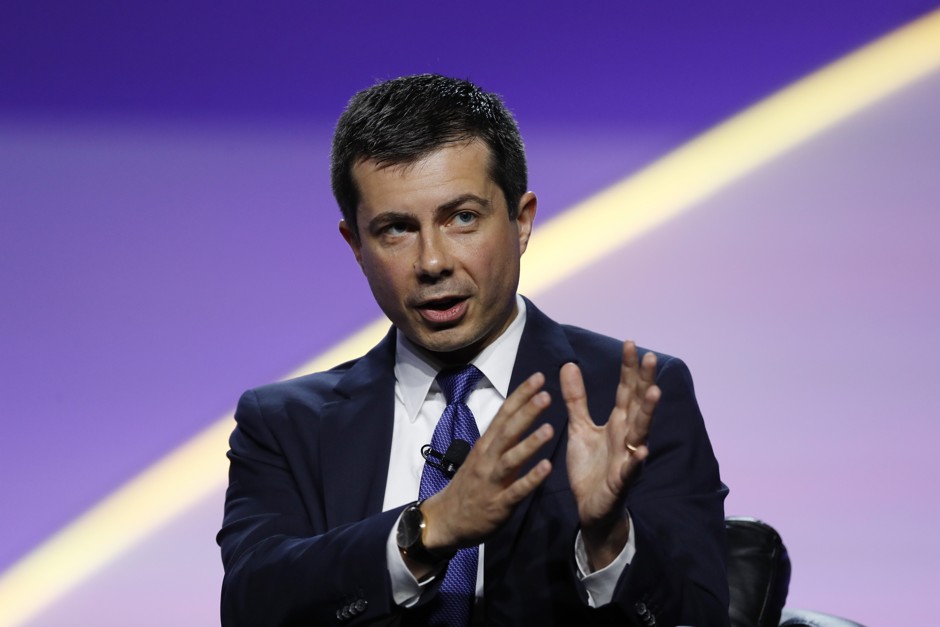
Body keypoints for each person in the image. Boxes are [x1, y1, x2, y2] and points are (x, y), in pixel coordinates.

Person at [217, 74, 729, 626]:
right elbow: (251, 607)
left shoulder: (628, 400)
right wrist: (429, 528)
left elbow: (698, 616)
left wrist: (608, 539)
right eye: (395, 229)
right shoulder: (286, 425)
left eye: (462, 218)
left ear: (522, 221)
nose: (432, 262)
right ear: (356, 246)